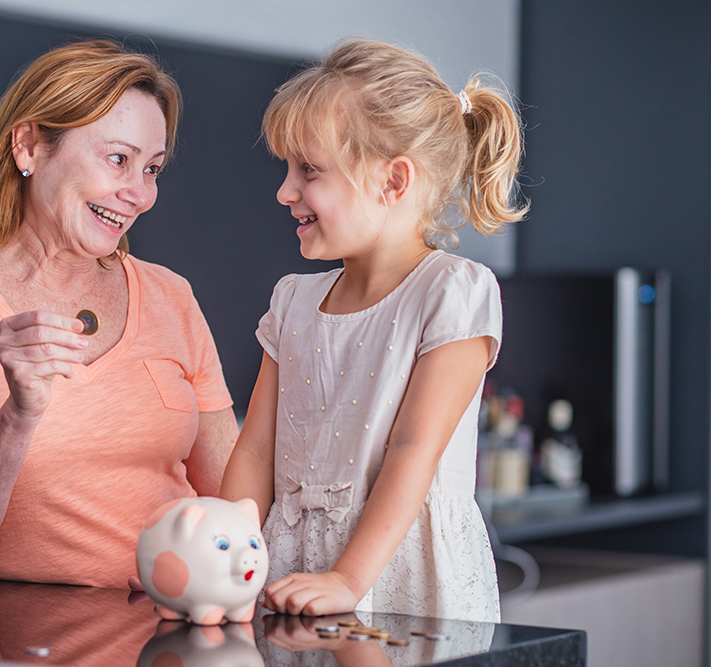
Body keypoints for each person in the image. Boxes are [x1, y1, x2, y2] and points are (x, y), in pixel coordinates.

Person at [0, 40, 238, 586]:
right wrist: (18, 414)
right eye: (118, 159)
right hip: (13, 637)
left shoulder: (172, 295)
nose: (141, 194)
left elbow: (234, 501)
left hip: (170, 635)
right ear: (30, 147)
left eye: (152, 168)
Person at [220, 38, 527, 623]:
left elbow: (414, 451)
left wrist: (346, 579)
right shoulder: (292, 302)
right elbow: (257, 450)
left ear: (394, 181)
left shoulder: (452, 294)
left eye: (308, 171)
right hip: (293, 565)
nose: (285, 192)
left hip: (397, 576)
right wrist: (217, 559)